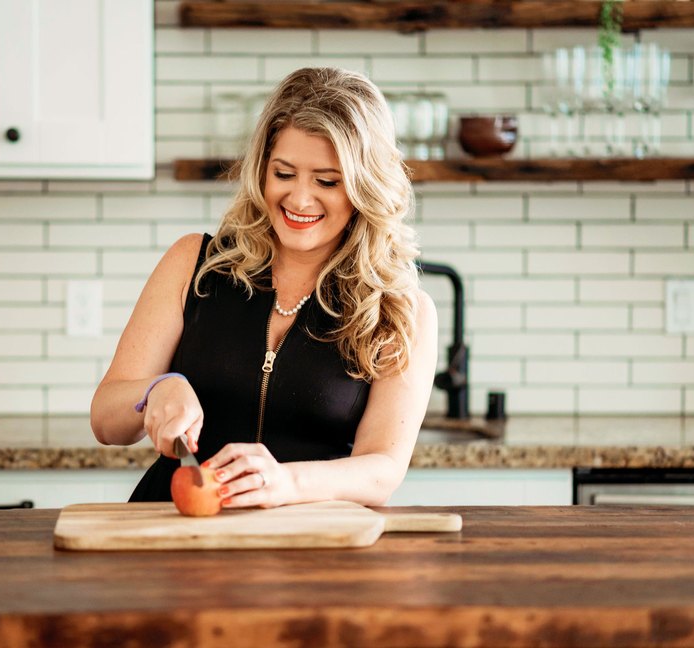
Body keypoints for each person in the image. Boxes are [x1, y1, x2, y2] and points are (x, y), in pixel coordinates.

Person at [90, 67, 437, 508]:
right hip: (174, 535)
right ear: (262, 170)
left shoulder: (399, 311)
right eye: (284, 173)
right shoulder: (193, 264)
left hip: (308, 551)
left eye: (327, 181)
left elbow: (382, 469)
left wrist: (285, 484)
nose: (300, 199)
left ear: (364, 188)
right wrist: (155, 388)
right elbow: (105, 421)